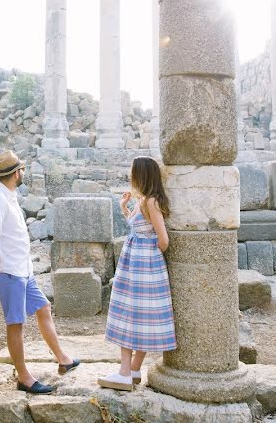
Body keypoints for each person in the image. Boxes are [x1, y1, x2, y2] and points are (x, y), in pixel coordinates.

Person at [0, 150, 79, 394]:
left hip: (22, 270)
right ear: (16, 174)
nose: (24, 172)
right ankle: (24, 377)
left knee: (43, 307)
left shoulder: (9, 195)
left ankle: (63, 360)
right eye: (21, 169)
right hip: (9, 270)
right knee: (16, 324)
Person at [98, 156, 177, 391]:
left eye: (133, 172)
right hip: (137, 263)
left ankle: (125, 372)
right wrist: (125, 209)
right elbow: (140, 227)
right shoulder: (144, 200)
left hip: (142, 265)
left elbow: (163, 240)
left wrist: (146, 254)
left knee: (129, 314)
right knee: (140, 316)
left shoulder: (150, 202)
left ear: (141, 175)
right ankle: (133, 369)